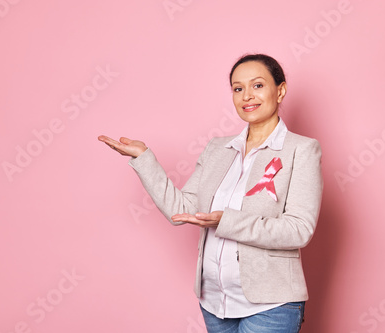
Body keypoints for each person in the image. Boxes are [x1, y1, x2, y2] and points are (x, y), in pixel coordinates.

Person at [98, 54, 323, 333]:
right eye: (238, 88)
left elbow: (298, 230)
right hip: (215, 303)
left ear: (280, 90)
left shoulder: (301, 149)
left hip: (271, 305)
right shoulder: (218, 148)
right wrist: (144, 159)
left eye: (258, 85)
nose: (247, 96)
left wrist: (225, 221)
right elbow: (182, 210)